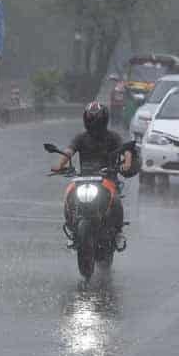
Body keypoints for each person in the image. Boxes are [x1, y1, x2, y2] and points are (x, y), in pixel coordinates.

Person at [52, 101, 133, 249]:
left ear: (103, 120)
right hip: (84, 178)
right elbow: (69, 152)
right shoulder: (81, 138)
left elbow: (126, 150)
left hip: (108, 178)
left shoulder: (113, 137)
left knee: (115, 200)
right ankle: (71, 228)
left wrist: (126, 163)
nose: (93, 123)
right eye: (90, 119)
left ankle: (118, 233)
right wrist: (59, 165)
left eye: (96, 120)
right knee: (69, 194)